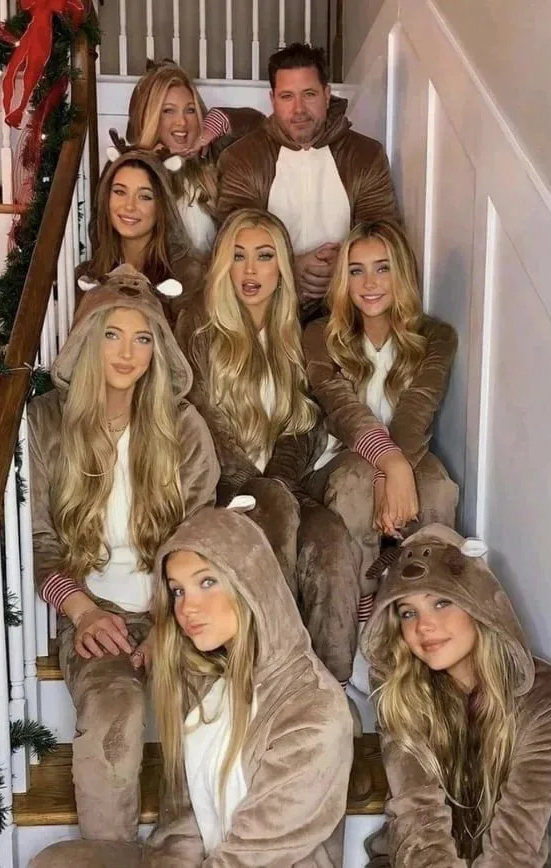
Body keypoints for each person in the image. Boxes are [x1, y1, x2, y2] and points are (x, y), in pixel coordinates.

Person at [29, 506, 354, 868]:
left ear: (251, 581)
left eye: (207, 582)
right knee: (56, 862)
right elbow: (183, 828)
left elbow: (251, 858)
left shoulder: (315, 711)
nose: (187, 607)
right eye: (178, 591)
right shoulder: (206, 682)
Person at [28, 264, 219, 842]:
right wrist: (82, 611)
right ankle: (109, 855)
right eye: (112, 334)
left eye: (143, 338)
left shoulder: (182, 425)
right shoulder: (47, 422)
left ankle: (190, 848)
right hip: (94, 611)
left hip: (176, 607)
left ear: (158, 350)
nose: (127, 352)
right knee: (115, 714)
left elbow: (201, 538)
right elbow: (39, 541)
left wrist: (170, 622)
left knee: (208, 710)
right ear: (89, 337)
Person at [174, 208, 362, 696]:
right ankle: (266, 683)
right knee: (270, 515)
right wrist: (258, 488)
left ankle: (329, 692)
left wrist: (278, 479)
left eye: (264, 256)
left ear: (282, 266)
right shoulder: (198, 330)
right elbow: (198, 420)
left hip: (287, 484)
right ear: (223, 265)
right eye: (238, 257)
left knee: (331, 540)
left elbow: (310, 423)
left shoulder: (299, 335)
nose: (250, 270)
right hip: (222, 491)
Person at [360, 523, 551, 866]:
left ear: (478, 605)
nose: (423, 626)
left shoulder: (545, 696)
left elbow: (519, 832)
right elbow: (417, 816)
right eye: (408, 613)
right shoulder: (400, 689)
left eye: (441, 602)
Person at [303, 220, 459, 612]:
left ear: (401, 272)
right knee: (355, 484)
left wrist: (392, 471)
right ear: (344, 279)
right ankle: (361, 613)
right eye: (356, 270)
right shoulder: (319, 334)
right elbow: (342, 409)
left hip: (407, 453)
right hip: (335, 460)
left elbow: (417, 410)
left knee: (438, 487)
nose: (369, 283)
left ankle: (429, 604)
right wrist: (386, 467)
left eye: (382, 268)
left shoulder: (435, 337)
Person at [216, 43, 400, 317]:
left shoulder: (365, 155)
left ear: (327, 95)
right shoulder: (242, 157)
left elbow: (384, 233)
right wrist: (290, 266)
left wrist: (345, 266)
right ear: (273, 100)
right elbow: (231, 240)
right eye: (287, 96)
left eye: (309, 94)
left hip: (348, 306)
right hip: (266, 307)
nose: (298, 109)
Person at [123, 59, 265, 254]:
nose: (182, 122)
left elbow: (261, 126)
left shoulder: (215, 157)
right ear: (152, 117)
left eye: (190, 110)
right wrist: (154, 168)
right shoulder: (132, 169)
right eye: (168, 111)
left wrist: (215, 124)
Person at [77, 149, 203, 322]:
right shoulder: (87, 276)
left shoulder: (188, 274)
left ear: (162, 206)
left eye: (144, 196)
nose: (129, 206)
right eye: (120, 192)